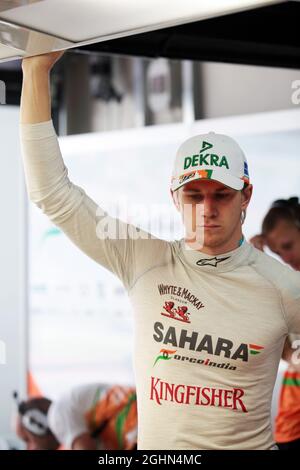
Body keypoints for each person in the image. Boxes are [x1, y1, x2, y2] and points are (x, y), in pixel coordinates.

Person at [19, 50, 300, 450]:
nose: (206, 209)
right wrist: (36, 68)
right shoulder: (143, 258)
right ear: (173, 196)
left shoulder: (284, 287)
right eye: (193, 195)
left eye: (221, 194)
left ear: (246, 196)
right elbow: (51, 193)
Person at [250, 197, 300, 449]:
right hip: (292, 420)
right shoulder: (288, 286)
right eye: (278, 252)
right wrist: (256, 263)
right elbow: (273, 339)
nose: (286, 257)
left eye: (288, 245)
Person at [14, 383, 137, 450]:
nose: (29, 448)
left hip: (140, 428)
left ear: (38, 423)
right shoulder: (72, 421)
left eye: (27, 440)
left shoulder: (57, 414)